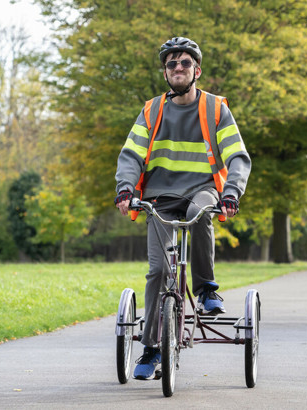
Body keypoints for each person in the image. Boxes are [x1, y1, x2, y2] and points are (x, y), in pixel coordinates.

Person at [113, 37, 251, 380]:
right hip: (159, 196)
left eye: (185, 63)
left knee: (203, 212)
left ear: (197, 71)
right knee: (159, 272)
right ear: (165, 73)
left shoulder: (215, 109)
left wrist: (231, 192)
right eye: (172, 64)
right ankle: (150, 349)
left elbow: (237, 156)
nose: (178, 68)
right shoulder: (152, 110)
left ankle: (206, 289)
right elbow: (131, 155)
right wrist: (125, 189)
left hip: (200, 190)